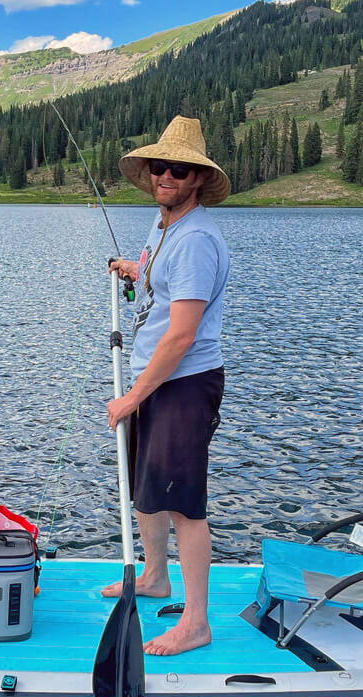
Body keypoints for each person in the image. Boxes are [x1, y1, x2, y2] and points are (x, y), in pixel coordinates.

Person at [102, 115, 231, 656]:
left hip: (181, 383)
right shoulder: (164, 227)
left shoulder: (198, 238)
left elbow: (181, 336)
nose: (167, 177)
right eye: (161, 167)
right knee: (145, 489)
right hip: (152, 380)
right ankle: (156, 576)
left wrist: (133, 396)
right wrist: (135, 270)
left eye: (180, 170)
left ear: (197, 179)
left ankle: (196, 623)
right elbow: (164, 275)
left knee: (185, 506)